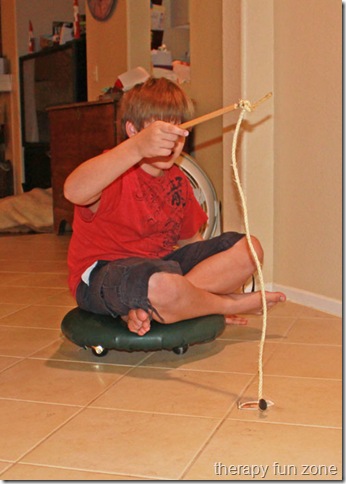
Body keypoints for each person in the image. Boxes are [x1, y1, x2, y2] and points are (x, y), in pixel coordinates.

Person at [64, 77, 285, 336]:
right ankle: (220, 305)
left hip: (162, 270)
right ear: (133, 131)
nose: (173, 139)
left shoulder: (178, 180)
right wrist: (135, 149)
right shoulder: (113, 168)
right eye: (161, 132)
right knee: (161, 284)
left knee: (249, 249)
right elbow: (74, 191)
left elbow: (192, 241)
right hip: (105, 275)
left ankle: (163, 306)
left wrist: (210, 274)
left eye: (179, 129)